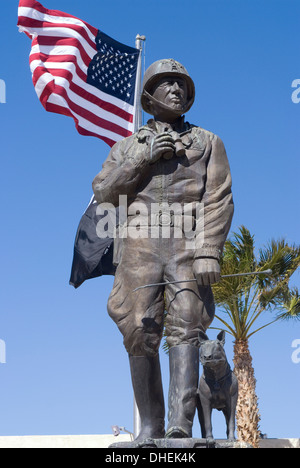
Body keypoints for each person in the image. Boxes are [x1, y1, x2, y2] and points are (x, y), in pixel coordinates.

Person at [92, 59, 234, 441]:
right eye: (166, 84)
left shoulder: (208, 142)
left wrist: (209, 249)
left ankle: (179, 425)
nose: (176, 90)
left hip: (188, 242)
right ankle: (150, 424)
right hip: (139, 245)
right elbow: (104, 195)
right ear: (149, 98)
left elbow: (218, 199)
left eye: (181, 85)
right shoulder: (126, 148)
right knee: (138, 329)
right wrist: (143, 157)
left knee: (187, 325)